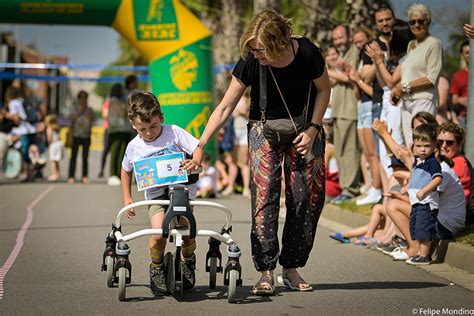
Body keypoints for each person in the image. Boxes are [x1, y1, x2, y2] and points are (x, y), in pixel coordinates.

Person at [195, 10, 330, 295]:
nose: (256, 54)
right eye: (253, 49)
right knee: (264, 198)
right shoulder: (250, 60)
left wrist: (314, 129)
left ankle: (291, 269)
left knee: (306, 198)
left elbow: (324, 90)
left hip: (306, 127)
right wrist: (201, 144)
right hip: (263, 128)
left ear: (280, 42)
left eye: (261, 49)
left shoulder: (307, 52)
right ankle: (266, 272)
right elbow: (224, 107)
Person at [120, 91, 203, 295]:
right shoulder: (134, 146)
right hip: (156, 194)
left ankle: (187, 259)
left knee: (186, 225)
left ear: (162, 118)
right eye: (142, 129)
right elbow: (126, 170)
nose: (148, 133)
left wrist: (196, 161)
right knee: (159, 233)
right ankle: (156, 267)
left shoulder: (173, 132)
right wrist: (127, 197)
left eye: (153, 126)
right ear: (133, 124)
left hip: (181, 189)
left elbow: (197, 146)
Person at [391, 3, 442, 147]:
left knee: (423, 143)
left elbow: (431, 78)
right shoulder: (411, 45)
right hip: (407, 101)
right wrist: (399, 92)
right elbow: (409, 75)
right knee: (410, 145)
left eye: (421, 21)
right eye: (412, 22)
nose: (417, 25)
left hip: (424, 99)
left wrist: (403, 86)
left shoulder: (434, 43)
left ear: (428, 22)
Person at [329, 24, 361, 202]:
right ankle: (344, 188)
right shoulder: (341, 55)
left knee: (349, 151)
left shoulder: (355, 52)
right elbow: (336, 81)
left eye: (340, 37)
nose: (338, 42)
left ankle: (351, 189)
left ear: (349, 36)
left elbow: (352, 77)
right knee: (340, 151)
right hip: (338, 110)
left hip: (350, 109)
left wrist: (328, 71)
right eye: (335, 39)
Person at [107, 83, 133, 186]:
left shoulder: (122, 101)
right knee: (115, 151)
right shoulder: (114, 101)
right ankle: (113, 174)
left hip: (125, 129)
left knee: (123, 153)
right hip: (116, 129)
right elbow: (121, 112)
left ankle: (119, 174)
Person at [67, 90, 95, 184]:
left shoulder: (90, 109)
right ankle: (71, 176)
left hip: (86, 135)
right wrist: (80, 111)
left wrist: (87, 113)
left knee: (85, 157)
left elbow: (92, 120)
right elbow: (71, 118)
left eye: (85, 98)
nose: (83, 99)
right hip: (76, 135)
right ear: (78, 98)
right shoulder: (74, 108)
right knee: (73, 156)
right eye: (81, 97)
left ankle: (85, 176)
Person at [449, 41, 469, 128]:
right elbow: (454, 100)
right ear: (462, 55)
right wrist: (465, 100)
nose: (470, 55)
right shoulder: (457, 75)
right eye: (467, 52)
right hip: (465, 117)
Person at [44, 114, 63, 182]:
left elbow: (49, 138)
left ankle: (54, 174)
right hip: (59, 143)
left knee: (53, 161)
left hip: (53, 144)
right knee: (56, 160)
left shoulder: (49, 128)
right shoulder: (57, 128)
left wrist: (49, 145)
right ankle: (58, 174)